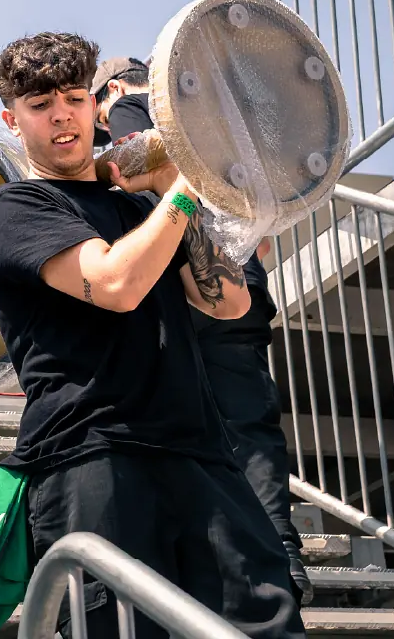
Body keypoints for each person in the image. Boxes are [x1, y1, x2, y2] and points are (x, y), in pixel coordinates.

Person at [0, 32, 305, 638]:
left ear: (92, 106)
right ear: (12, 119)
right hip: (93, 458)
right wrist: (186, 184)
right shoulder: (17, 209)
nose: (61, 116)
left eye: (73, 98)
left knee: (268, 624)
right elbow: (116, 283)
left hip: (199, 451)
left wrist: (170, 188)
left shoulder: (139, 209)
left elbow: (227, 301)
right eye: (40, 104)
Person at [91, 56, 313, 604]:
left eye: (93, 107)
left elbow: (137, 176)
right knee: (251, 424)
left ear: (114, 88)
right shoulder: (207, 117)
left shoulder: (132, 108)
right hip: (242, 282)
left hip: (191, 282)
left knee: (192, 423)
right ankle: (282, 552)